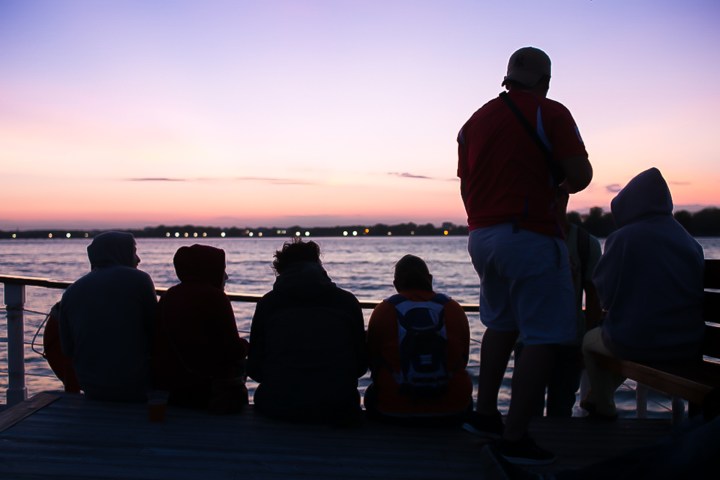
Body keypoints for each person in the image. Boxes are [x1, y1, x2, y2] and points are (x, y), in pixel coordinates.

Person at [457, 46, 593, 465]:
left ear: (508, 77)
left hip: (482, 236)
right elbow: (581, 175)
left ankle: (484, 415)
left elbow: (466, 182)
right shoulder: (550, 112)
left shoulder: (473, 122)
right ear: (545, 80)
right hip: (530, 235)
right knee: (545, 337)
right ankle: (515, 438)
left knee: (500, 325)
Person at [581, 167, 705, 419]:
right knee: (625, 337)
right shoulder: (689, 242)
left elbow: (605, 295)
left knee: (589, 342)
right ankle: (596, 399)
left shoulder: (623, 238)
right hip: (688, 344)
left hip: (638, 342)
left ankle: (602, 408)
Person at [246, 238, 368, 425]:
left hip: (279, 406)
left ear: (280, 269)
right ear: (318, 264)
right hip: (338, 406)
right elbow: (360, 366)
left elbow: (255, 368)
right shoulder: (347, 302)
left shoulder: (268, 303)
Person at [514, 188, 603, 418]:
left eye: (557, 195)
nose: (551, 201)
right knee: (527, 408)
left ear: (566, 198)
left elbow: (593, 297)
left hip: (570, 342)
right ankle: (524, 445)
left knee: (561, 408)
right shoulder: (523, 241)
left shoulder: (585, 243)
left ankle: (558, 449)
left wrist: (589, 342)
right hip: (528, 339)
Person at [364, 254, 473, 426]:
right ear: (430, 279)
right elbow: (463, 358)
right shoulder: (453, 308)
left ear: (396, 284)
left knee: (371, 393)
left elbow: (372, 360)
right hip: (453, 408)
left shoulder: (384, 310)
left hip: (394, 409)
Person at [59, 231, 157, 402]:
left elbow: (67, 348)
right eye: (134, 252)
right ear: (120, 252)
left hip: (91, 387)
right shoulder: (139, 280)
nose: (138, 259)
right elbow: (156, 332)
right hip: (135, 385)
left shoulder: (73, 290)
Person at [153, 244, 249, 413]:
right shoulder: (215, 297)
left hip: (175, 390)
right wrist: (246, 345)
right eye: (222, 270)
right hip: (208, 392)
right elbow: (231, 350)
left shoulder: (168, 296)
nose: (226, 276)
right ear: (210, 270)